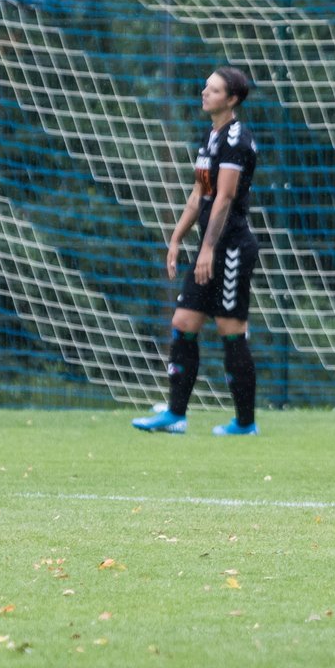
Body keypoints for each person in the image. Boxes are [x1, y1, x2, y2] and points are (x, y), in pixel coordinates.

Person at [132, 66, 262, 436]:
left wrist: (207, 249)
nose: (204, 93)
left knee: (230, 329)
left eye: (214, 90)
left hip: (232, 248)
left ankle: (245, 423)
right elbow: (199, 196)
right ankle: (175, 415)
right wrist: (175, 239)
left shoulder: (236, 139)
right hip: (210, 248)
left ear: (232, 99)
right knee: (184, 324)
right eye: (205, 87)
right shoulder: (211, 138)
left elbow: (223, 199)